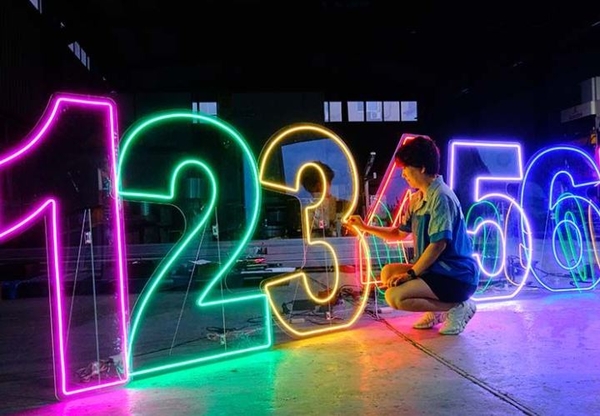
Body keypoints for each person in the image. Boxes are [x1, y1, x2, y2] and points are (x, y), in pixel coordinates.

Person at [346, 136, 479, 335]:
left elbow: (438, 245)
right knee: (388, 273)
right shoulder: (417, 198)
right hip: (435, 271)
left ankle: (457, 306)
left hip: (455, 275)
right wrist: (364, 227)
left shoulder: (441, 197)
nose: (403, 174)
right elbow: (398, 233)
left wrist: (410, 274)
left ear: (422, 168)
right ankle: (437, 310)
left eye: (406, 168)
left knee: (395, 297)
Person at [300, 161, 346, 237]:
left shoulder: (304, 210)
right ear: (320, 185)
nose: (331, 187)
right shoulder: (336, 205)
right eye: (329, 183)